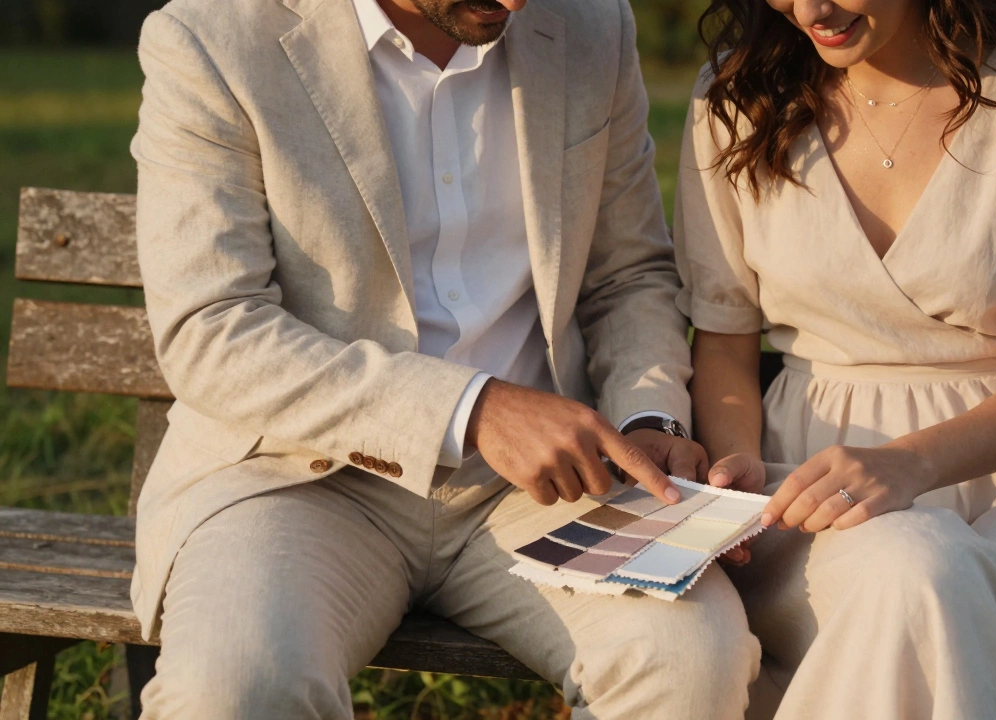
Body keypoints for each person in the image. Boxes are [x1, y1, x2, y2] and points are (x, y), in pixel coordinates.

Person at [129, 0, 760, 717]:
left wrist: (648, 416)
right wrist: (473, 408)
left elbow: (628, 276)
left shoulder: (592, 26)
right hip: (296, 477)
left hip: (546, 491)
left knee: (689, 660)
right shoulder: (212, 37)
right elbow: (212, 329)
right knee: (234, 690)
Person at [677, 0, 996, 717]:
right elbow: (724, 346)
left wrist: (907, 464)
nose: (812, 10)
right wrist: (742, 471)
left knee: (922, 571)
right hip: (805, 493)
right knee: (907, 568)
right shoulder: (737, 97)